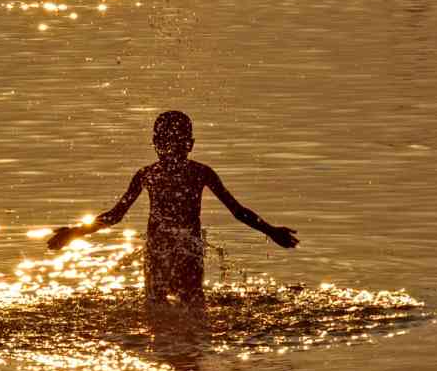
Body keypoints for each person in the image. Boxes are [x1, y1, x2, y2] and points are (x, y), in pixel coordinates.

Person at [47, 111, 298, 307]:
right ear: (190, 144)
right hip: (188, 249)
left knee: (156, 305)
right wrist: (270, 230)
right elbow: (238, 212)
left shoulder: (148, 174)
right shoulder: (199, 172)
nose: (172, 149)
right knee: (192, 304)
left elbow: (114, 217)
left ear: (156, 142)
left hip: (158, 250)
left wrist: (75, 232)